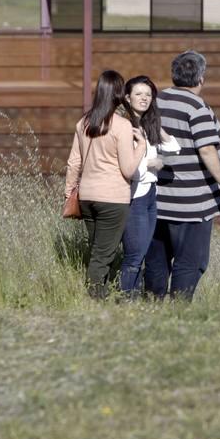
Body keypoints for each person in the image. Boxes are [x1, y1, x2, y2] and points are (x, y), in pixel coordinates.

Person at [146, 50, 220, 300]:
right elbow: (207, 149)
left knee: (156, 260)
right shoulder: (197, 107)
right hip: (192, 203)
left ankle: (151, 306)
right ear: (201, 79)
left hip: (157, 198)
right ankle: (179, 312)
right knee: (190, 261)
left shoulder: (156, 101)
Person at [66, 70, 146, 298]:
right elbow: (128, 169)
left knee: (98, 250)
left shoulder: (83, 123)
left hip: (87, 197)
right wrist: (140, 146)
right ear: (120, 93)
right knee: (104, 254)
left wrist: (68, 192)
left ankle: (103, 292)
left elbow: (73, 163)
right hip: (112, 199)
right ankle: (95, 298)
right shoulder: (121, 125)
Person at [119, 75, 180, 298]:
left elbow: (174, 147)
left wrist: (156, 121)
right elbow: (128, 168)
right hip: (134, 196)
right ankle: (126, 299)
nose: (144, 98)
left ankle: (132, 298)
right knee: (134, 255)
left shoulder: (145, 124)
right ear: (127, 97)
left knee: (142, 253)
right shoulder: (125, 125)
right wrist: (153, 163)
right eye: (138, 94)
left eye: (148, 94)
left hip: (150, 194)